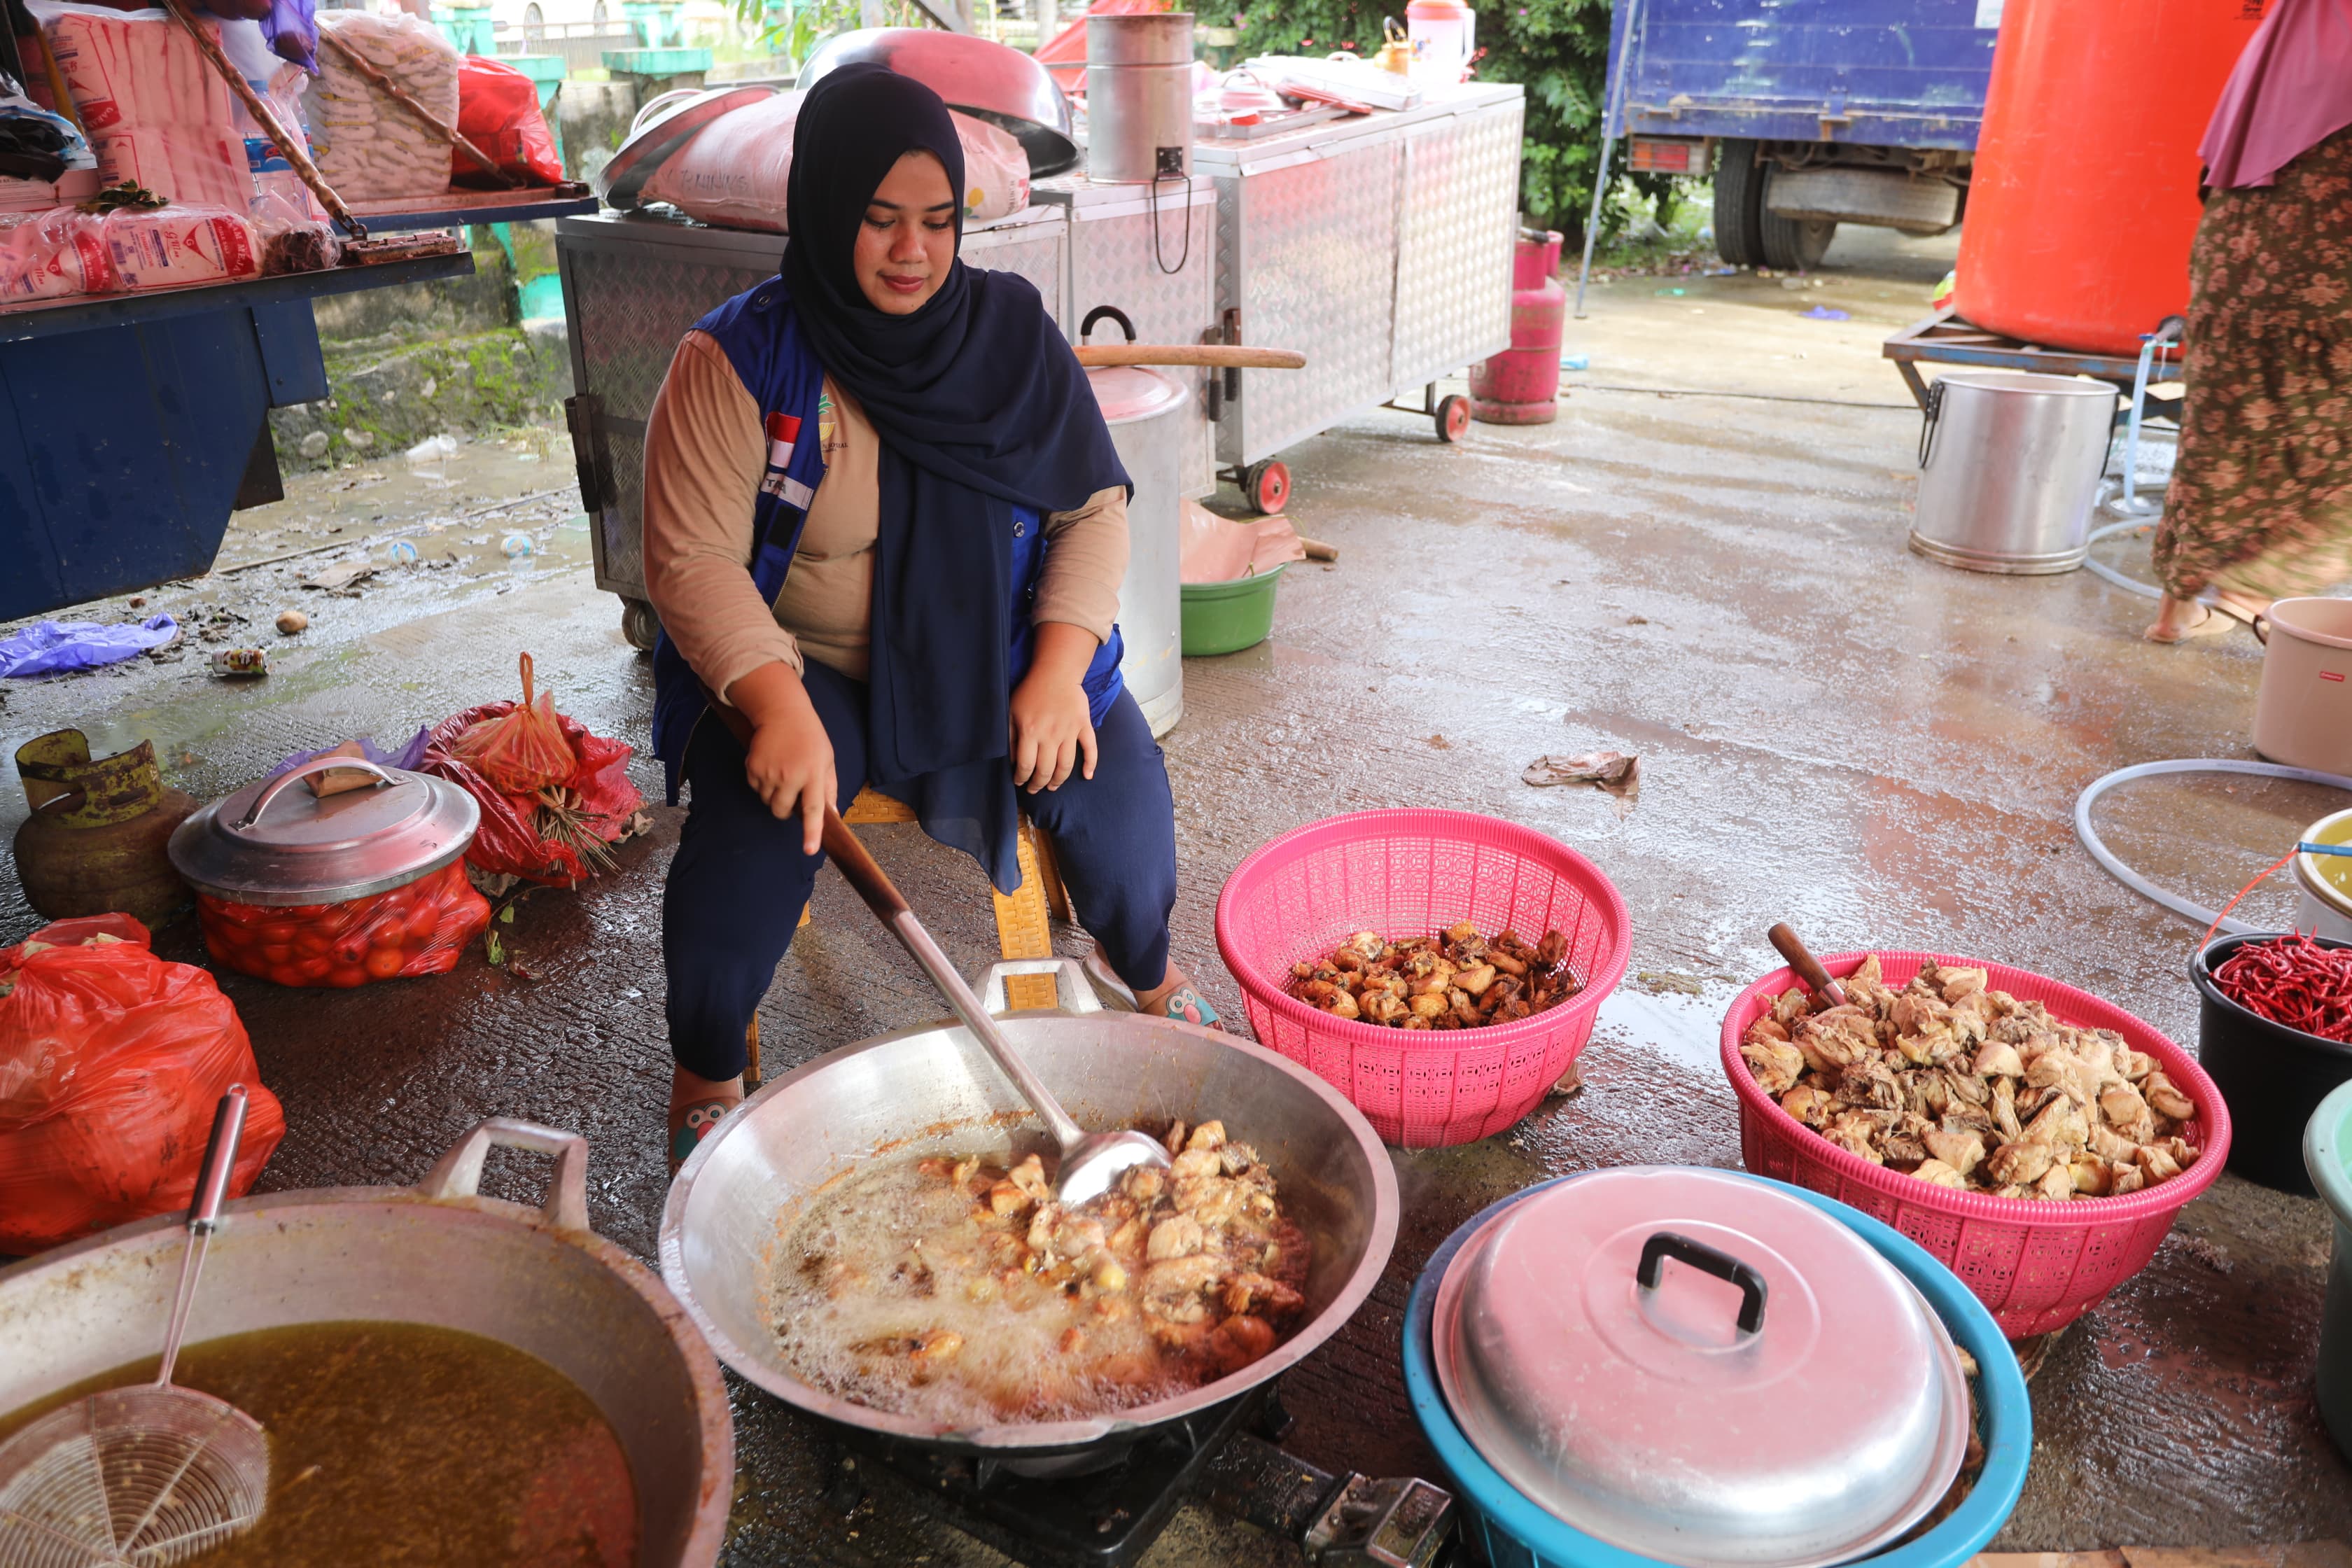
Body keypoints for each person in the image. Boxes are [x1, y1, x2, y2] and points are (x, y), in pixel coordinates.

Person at [640, 64, 1219, 1168]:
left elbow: (1092, 511)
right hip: (807, 663)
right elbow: (692, 562)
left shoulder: (1010, 335)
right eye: (880, 220)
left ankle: (1149, 971)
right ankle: (708, 1065)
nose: (914, 251)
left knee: (1121, 818)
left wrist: (1057, 670)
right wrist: (771, 703)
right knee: (754, 840)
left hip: (997, 649)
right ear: (823, 212)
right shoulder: (737, 362)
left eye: (939, 222)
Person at [2146, 0, 2352, 642]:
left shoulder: (2282, 44)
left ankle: (2179, 610)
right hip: (2328, 288)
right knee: (2328, 434)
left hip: (2235, 270)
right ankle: (2260, 598)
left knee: (2222, 426)